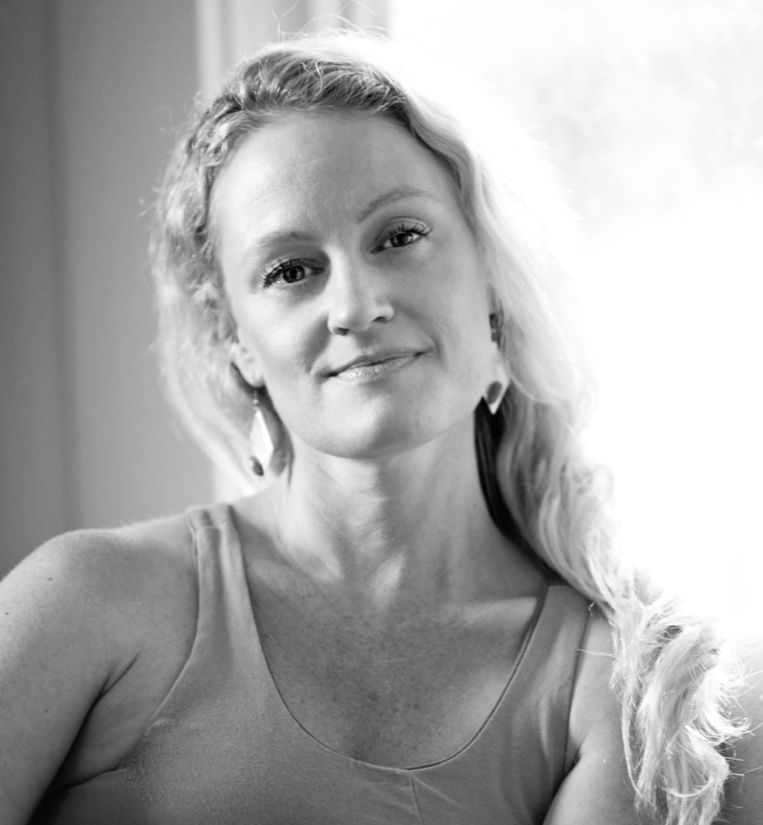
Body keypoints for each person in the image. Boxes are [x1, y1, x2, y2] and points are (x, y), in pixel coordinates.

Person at [0, 32, 759, 825]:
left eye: (399, 237)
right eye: (291, 270)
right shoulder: (86, 602)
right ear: (235, 339)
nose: (357, 305)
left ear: (491, 277)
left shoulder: (623, 685)